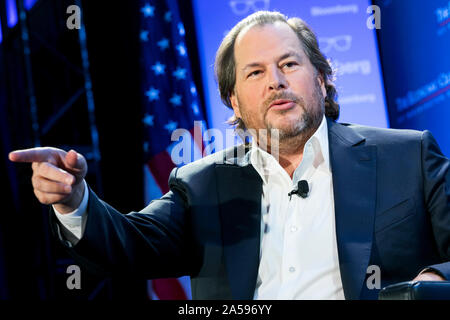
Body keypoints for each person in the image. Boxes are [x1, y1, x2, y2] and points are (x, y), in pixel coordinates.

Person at [8, 11, 450, 300]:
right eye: (255, 72)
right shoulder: (202, 185)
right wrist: (73, 202)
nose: (275, 81)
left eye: (290, 64)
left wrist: (433, 284)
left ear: (320, 78)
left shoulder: (407, 156)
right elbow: (130, 246)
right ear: (235, 102)